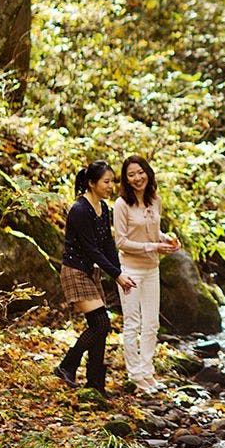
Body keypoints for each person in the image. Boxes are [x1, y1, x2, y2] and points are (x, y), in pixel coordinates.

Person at [54, 161, 135, 396]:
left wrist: (119, 270)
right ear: (92, 183)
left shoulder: (103, 208)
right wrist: (117, 275)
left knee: (98, 328)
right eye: (106, 182)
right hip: (76, 271)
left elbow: (107, 244)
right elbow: (91, 249)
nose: (111, 186)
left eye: (112, 181)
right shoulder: (79, 209)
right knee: (101, 324)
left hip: (92, 273)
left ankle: (96, 385)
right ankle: (66, 366)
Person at [113, 155, 180, 393]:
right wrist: (154, 247)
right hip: (129, 270)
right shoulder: (121, 205)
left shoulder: (155, 200)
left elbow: (154, 231)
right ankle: (135, 375)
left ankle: (148, 372)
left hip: (152, 269)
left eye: (140, 173)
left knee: (152, 324)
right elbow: (121, 241)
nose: (137, 178)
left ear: (148, 173)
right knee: (132, 324)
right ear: (126, 179)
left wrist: (167, 240)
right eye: (131, 175)